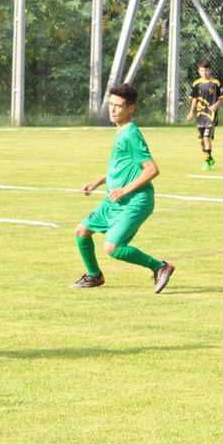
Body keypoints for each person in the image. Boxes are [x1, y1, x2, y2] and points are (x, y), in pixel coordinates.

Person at [70, 83, 174, 293]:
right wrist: (98, 181)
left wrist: (125, 190)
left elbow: (151, 170)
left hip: (136, 200)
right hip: (115, 200)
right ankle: (94, 275)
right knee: (81, 232)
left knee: (113, 248)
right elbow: (122, 167)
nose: (113, 110)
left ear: (131, 109)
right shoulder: (122, 131)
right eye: (111, 105)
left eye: (118, 106)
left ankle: (160, 267)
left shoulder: (131, 134)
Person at [185, 60, 223, 170]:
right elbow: (194, 100)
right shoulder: (196, 84)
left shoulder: (215, 83)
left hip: (211, 115)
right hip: (200, 115)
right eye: (202, 70)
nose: (204, 72)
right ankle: (209, 157)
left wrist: (216, 105)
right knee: (200, 141)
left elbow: (221, 97)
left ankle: (207, 162)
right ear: (199, 71)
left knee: (207, 138)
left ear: (210, 70)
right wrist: (191, 112)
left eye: (206, 70)